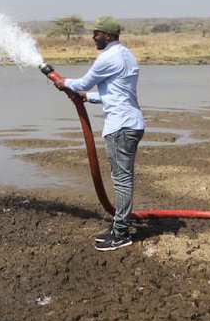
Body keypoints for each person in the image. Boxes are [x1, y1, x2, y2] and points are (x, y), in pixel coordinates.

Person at [51, 16, 146, 252]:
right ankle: (118, 227)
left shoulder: (108, 58)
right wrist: (88, 97)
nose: (93, 36)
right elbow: (117, 94)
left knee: (122, 181)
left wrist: (64, 82)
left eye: (97, 33)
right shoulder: (126, 55)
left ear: (109, 36)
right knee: (122, 179)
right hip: (131, 122)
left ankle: (121, 233)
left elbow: (83, 83)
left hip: (121, 126)